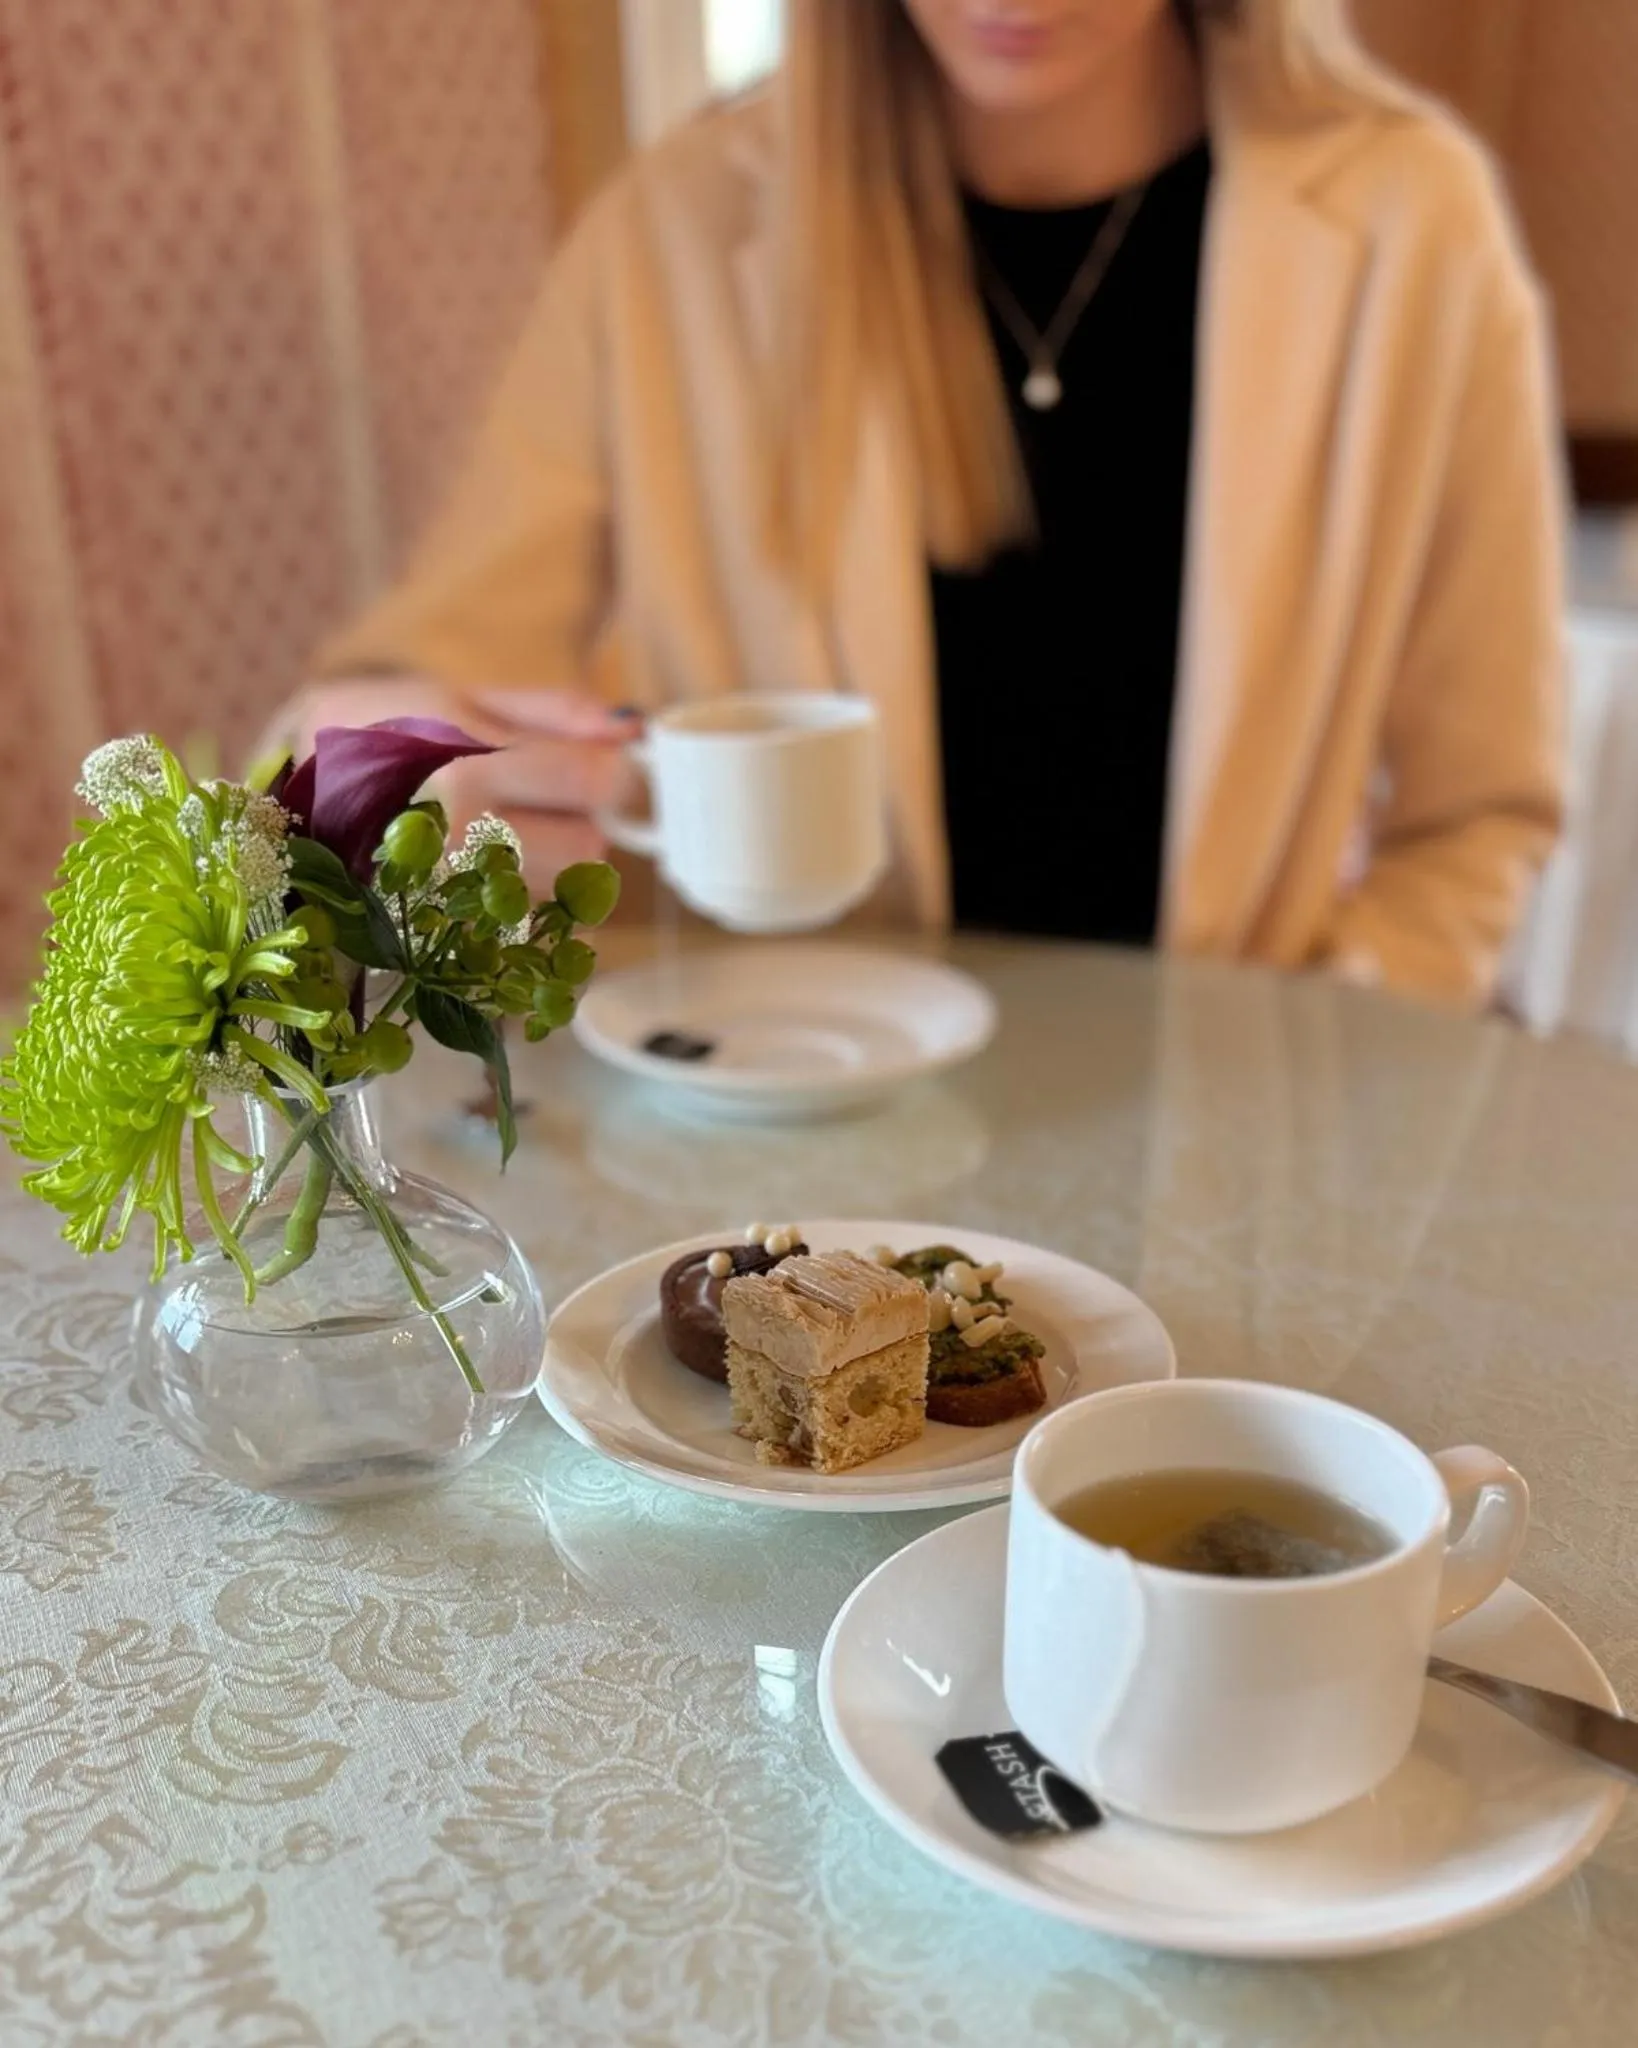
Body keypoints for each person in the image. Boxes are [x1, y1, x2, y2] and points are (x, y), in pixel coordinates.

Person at [283, 0, 1564, 1008]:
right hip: (802, 1144)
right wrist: (390, 775)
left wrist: (1325, 1037)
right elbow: (379, 704)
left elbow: (1476, 812)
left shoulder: (1414, 227)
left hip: (1240, 1149)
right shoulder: (674, 229)